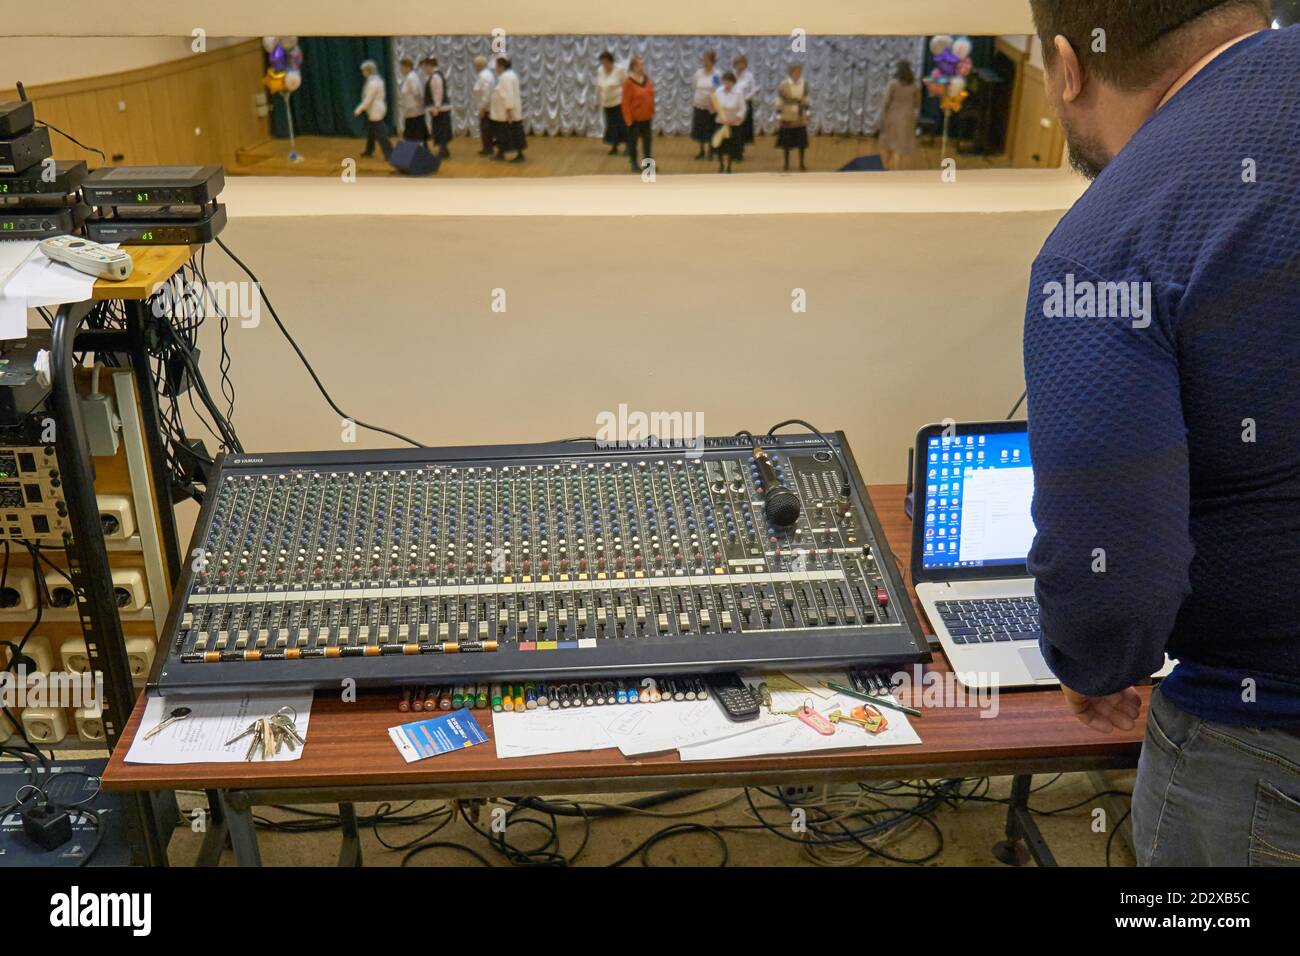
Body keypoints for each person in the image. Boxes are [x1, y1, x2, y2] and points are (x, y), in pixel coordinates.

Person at [1022, 0, 1300, 867]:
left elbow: (1114, 578)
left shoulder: (1106, 247)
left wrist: (1098, 663)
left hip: (1261, 740)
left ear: (1070, 67)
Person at [878, 59, 920, 170]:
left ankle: (886, 169)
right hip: (907, 118)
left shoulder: (893, 84)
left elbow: (886, 101)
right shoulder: (915, 86)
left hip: (892, 116)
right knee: (900, 147)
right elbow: (917, 104)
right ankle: (896, 172)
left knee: (889, 145)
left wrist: (883, 116)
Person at [621, 55, 655, 174]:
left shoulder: (647, 79)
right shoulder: (628, 82)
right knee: (633, 143)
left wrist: (652, 111)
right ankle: (634, 164)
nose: (641, 67)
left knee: (647, 143)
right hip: (634, 120)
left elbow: (651, 95)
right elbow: (625, 103)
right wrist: (628, 120)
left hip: (646, 118)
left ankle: (648, 165)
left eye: (642, 65)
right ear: (633, 67)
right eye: (639, 65)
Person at [489, 56, 526, 162]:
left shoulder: (506, 77)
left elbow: (508, 94)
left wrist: (509, 110)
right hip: (505, 112)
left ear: (501, 66)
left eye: (496, 65)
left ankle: (518, 155)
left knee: (511, 134)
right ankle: (501, 153)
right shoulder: (509, 75)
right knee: (504, 134)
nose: (495, 68)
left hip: (506, 113)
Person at [354, 60, 391, 160]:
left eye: (364, 71)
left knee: (381, 133)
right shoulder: (376, 80)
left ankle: (390, 154)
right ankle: (369, 151)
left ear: (368, 70)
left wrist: (359, 110)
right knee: (372, 131)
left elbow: (368, 99)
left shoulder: (373, 83)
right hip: (375, 109)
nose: (363, 73)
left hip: (376, 109)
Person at [775, 63, 809, 171]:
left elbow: (806, 99)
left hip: (799, 115)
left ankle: (801, 163)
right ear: (790, 73)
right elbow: (779, 100)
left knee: (801, 142)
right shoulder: (783, 84)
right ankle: (786, 163)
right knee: (786, 142)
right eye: (795, 72)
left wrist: (807, 114)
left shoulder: (804, 84)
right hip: (787, 114)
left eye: (799, 72)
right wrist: (778, 115)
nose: (797, 74)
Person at [711, 71, 746, 174]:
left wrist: (734, 120)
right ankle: (721, 165)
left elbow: (742, 109)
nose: (727, 84)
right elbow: (715, 107)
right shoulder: (718, 91)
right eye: (725, 82)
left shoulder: (739, 93)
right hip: (721, 122)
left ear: (733, 82)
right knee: (720, 145)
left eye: (729, 82)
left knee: (732, 146)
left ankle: (729, 166)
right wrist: (712, 108)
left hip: (733, 123)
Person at [690, 50, 720, 160]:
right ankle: (701, 151)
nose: (705, 62)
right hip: (699, 105)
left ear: (712, 61)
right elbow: (694, 86)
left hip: (711, 107)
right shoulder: (698, 73)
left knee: (710, 129)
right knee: (700, 130)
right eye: (704, 60)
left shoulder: (716, 74)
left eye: (707, 60)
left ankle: (711, 151)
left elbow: (718, 90)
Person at [596, 51, 627, 156]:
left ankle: (628, 147)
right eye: (602, 63)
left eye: (605, 62)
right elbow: (599, 86)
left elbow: (626, 85)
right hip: (606, 104)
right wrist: (597, 100)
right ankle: (614, 147)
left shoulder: (619, 70)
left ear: (611, 61)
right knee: (611, 126)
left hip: (619, 103)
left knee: (622, 126)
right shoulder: (600, 70)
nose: (604, 65)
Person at [423, 57, 453, 159]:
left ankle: (443, 151)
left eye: (425, 67)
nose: (424, 70)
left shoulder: (435, 76)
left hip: (440, 109)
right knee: (441, 129)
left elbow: (438, 92)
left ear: (429, 65)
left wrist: (436, 107)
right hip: (440, 108)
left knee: (440, 130)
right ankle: (444, 150)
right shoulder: (436, 75)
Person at [732, 55, 757, 161]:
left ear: (745, 64)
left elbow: (753, 90)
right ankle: (734, 150)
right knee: (734, 129)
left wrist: (745, 98)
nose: (740, 66)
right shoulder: (732, 74)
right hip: (733, 105)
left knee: (742, 129)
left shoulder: (749, 76)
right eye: (738, 64)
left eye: (742, 63)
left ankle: (740, 152)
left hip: (745, 104)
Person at [397, 58, 427, 145]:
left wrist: (418, 105)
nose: (401, 69)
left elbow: (416, 92)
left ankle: (414, 151)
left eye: (402, 67)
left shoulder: (411, 78)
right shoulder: (412, 76)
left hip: (413, 109)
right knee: (417, 131)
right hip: (414, 109)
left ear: (407, 67)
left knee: (413, 132)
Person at [472, 54, 495, 156]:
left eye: (475, 65)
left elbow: (486, 94)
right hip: (486, 108)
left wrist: (482, 108)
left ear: (479, 65)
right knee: (485, 129)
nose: (474, 67)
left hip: (486, 108)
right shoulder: (486, 75)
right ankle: (486, 148)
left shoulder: (484, 76)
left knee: (486, 130)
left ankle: (488, 149)